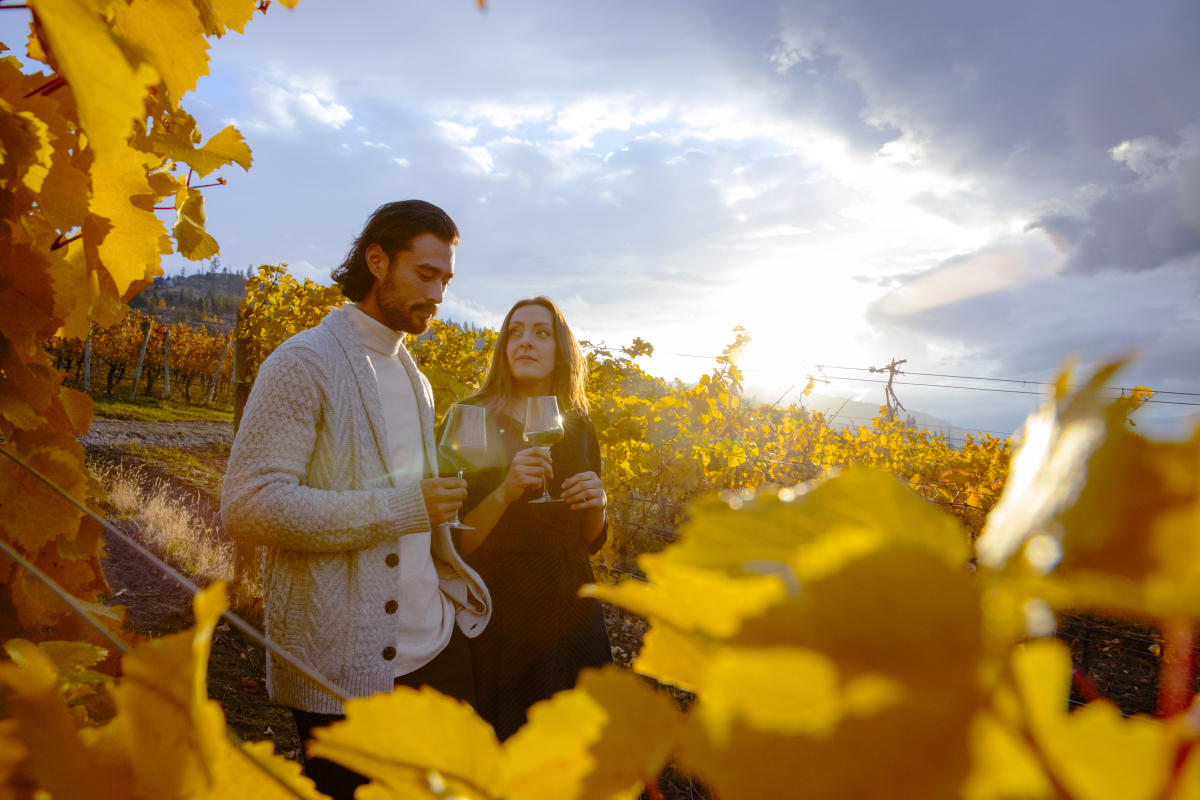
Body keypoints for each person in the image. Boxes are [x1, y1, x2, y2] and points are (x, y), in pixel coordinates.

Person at [220, 200, 490, 800]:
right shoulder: (304, 363)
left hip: (435, 646)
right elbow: (248, 505)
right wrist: (403, 507)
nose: (439, 293)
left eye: (446, 279)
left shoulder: (414, 377)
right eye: (426, 274)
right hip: (343, 669)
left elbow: (412, 504)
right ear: (377, 261)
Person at [452, 296, 612, 741]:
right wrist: (506, 490)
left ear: (561, 350)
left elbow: (586, 538)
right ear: (504, 346)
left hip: (567, 608)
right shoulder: (471, 417)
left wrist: (598, 503)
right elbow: (454, 541)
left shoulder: (577, 424)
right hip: (496, 611)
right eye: (516, 332)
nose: (526, 342)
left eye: (541, 333)